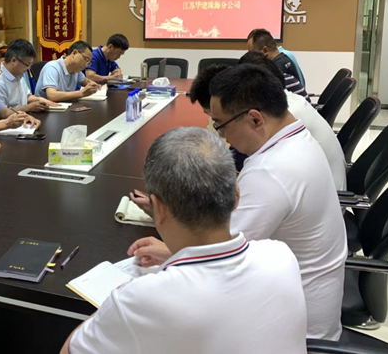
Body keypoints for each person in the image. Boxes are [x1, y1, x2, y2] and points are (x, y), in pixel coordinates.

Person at [129, 65, 347, 340]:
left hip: (296, 333)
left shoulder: (271, 172)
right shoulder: (297, 139)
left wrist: (172, 246)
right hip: (297, 302)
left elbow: (216, 259)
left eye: (220, 124)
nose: (222, 137)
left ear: (255, 119)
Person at [63, 127, 307, 354]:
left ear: (157, 209)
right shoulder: (280, 256)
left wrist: (115, 304)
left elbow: (68, 350)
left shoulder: (141, 300)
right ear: (236, 196)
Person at [239, 51, 347, 189]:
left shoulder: (283, 114)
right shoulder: (291, 99)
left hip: (328, 192)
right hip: (321, 185)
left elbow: (252, 161)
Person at [0, 39, 59, 114]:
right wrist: (28, 107)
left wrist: (40, 100)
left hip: (22, 117)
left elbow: (27, 96)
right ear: (13, 60)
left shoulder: (18, 74)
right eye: (27, 64)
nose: (28, 68)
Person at [35, 40, 99, 101]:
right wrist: (81, 93)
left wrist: (93, 85)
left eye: (88, 63)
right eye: (86, 59)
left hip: (64, 106)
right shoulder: (52, 68)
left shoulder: (76, 70)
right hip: (46, 107)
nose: (86, 65)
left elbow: (86, 82)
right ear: (74, 53)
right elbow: (52, 95)